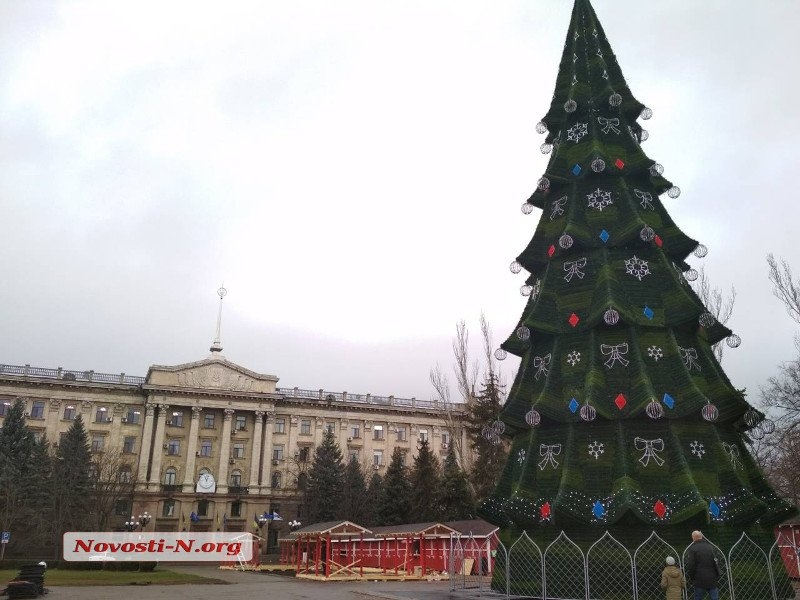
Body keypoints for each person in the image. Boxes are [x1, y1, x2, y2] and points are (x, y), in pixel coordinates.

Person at [685, 530, 721, 600]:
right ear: (701, 537)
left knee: (698, 597)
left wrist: (691, 577)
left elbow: (691, 565)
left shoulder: (693, 549)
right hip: (712, 578)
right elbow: (716, 561)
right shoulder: (710, 547)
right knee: (715, 598)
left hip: (699, 579)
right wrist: (717, 574)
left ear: (693, 538)